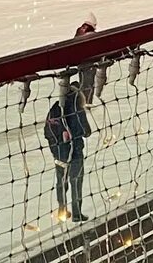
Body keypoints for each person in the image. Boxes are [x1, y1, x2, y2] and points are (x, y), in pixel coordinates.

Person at [44, 81, 92, 222]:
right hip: (75, 152)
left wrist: (57, 146)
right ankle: (77, 214)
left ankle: (62, 211)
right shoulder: (78, 109)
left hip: (59, 153)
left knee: (61, 182)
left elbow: (47, 132)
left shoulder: (55, 109)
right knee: (76, 182)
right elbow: (86, 131)